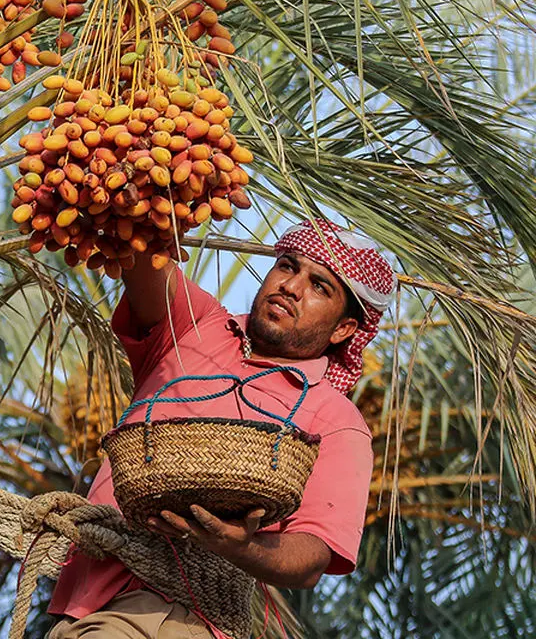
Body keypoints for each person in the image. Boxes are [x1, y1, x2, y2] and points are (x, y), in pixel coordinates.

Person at [46, 218, 397, 639]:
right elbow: (138, 247)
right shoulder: (195, 324)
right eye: (287, 266)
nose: (292, 286)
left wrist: (239, 547)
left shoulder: (336, 420)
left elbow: (314, 554)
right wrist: (142, 194)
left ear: (344, 329)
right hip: (80, 606)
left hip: (175, 618)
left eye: (320, 286)